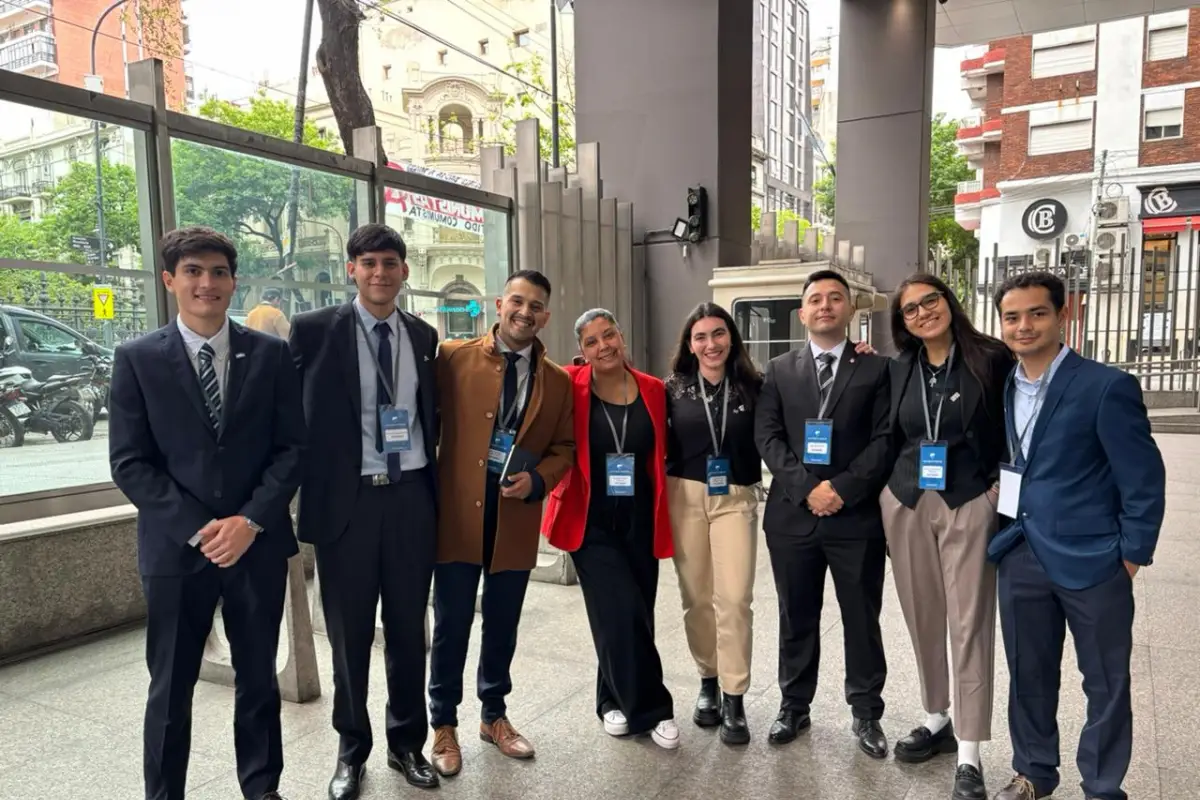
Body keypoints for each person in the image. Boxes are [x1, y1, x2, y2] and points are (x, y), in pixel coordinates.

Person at [108, 226, 306, 800]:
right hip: (175, 552)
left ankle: (261, 788)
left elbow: (292, 448)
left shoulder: (269, 354)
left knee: (258, 681)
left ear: (233, 281)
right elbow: (129, 462)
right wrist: (202, 529)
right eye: (193, 271)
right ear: (170, 280)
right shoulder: (138, 359)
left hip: (257, 545)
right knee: (170, 688)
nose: (207, 283)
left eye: (218, 272)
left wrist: (250, 521)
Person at [988, 272, 1165, 800]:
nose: (1024, 326)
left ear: (1063, 315)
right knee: (1028, 675)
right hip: (1020, 553)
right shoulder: (1005, 384)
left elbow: (1143, 478)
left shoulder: (1106, 385)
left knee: (1105, 684)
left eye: (1037, 313)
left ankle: (1103, 786)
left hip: (1094, 560)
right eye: (1012, 317)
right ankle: (1034, 773)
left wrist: (1130, 557)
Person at [288, 223, 441, 797]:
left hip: (410, 501)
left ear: (404, 271)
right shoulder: (311, 332)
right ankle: (352, 750)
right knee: (349, 637)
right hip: (345, 505)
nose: (380, 273)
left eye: (390, 263)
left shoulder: (424, 337)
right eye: (369, 262)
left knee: (408, 631)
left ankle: (407, 744)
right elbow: (288, 419)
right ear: (351, 268)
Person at [428, 269, 575, 777]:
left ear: (546, 316)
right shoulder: (453, 358)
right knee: (450, 625)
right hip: (457, 518)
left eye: (536, 306)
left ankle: (494, 715)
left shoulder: (556, 381)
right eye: (517, 301)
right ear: (498, 304)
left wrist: (537, 481)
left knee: (503, 624)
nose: (525, 312)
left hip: (514, 515)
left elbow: (565, 449)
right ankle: (442, 723)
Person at [880, 273, 1015, 800]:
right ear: (904, 322)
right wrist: (887, 496)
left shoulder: (989, 357)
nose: (921, 313)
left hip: (969, 500)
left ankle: (968, 750)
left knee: (969, 622)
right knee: (921, 614)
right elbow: (889, 433)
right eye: (910, 309)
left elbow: (1016, 421)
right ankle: (936, 716)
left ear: (948, 301)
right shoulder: (898, 369)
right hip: (909, 500)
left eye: (929, 301)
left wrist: (999, 488)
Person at [753, 269, 892, 758]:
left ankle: (867, 712)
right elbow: (767, 437)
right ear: (802, 312)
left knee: (861, 617)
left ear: (851, 309)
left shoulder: (878, 370)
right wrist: (808, 489)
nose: (826, 306)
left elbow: (885, 439)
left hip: (855, 519)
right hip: (793, 516)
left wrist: (843, 489)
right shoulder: (777, 369)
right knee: (796, 615)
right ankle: (794, 705)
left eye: (836, 298)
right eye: (816, 299)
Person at [543, 309, 680, 749]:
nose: (603, 346)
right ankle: (653, 709)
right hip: (590, 520)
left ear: (622, 336)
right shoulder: (569, 385)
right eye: (591, 341)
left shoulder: (654, 390)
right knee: (619, 610)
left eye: (609, 335)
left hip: (641, 518)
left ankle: (610, 700)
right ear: (580, 351)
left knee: (634, 613)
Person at [664, 302, 763, 745]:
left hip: (735, 497)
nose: (710, 344)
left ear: (731, 338)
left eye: (718, 334)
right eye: (701, 336)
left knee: (736, 597)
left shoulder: (756, 388)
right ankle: (707, 679)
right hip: (682, 495)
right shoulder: (672, 389)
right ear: (690, 344)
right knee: (697, 598)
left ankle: (734, 695)